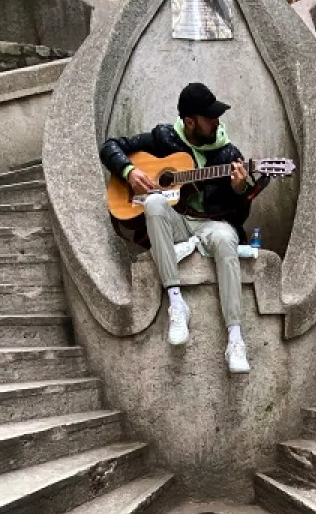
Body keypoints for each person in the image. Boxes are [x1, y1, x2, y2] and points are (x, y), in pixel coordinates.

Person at [100, 82, 264, 374]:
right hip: (176, 222)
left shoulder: (229, 154)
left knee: (227, 238)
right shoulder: (164, 138)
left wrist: (239, 190)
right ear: (190, 122)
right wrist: (130, 171)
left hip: (210, 224)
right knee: (152, 203)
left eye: (217, 116)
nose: (217, 122)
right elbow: (111, 146)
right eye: (209, 118)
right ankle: (177, 304)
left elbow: (236, 215)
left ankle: (235, 338)